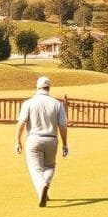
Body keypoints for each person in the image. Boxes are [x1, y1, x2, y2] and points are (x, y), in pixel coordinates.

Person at [15, 76, 69, 206]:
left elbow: (21, 123)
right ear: (49, 88)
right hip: (51, 139)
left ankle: (42, 186)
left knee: (35, 169)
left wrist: (17, 141)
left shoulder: (28, 103)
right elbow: (62, 125)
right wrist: (65, 144)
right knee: (50, 166)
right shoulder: (57, 104)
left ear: (37, 87)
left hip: (33, 139)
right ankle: (45, 185)